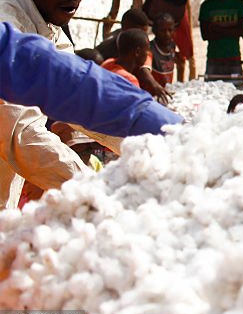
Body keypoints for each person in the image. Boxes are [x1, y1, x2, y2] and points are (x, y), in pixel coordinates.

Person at [0, 21, 182, 208]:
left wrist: (157, 131)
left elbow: (75, 89)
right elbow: (21, 133)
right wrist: (96, 189)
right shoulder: (11, 18)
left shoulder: (51, 27)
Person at [96, 7, 170, 103]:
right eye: (140, 32)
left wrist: (152, 82)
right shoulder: (108, 51)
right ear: (126, 26)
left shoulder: (111, 61)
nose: (144, 36)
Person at [198, 0, 243, 81]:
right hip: (213, 58)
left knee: (236, 91)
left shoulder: (239, 5)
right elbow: (205, 35)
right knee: (212, 93)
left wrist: (216, 29)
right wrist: (231, 30)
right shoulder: (206, 6)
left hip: (233, 58)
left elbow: (242, 31)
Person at [149, 13, 181, 86]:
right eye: (162, 31)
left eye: (170, 30)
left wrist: (181, 68)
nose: (167, 34)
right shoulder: (150, 49)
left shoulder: (172, 46)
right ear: (155, 31)